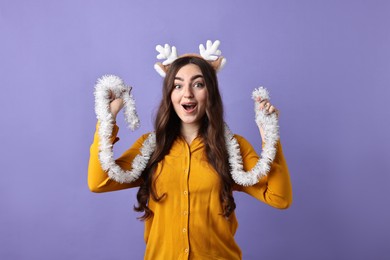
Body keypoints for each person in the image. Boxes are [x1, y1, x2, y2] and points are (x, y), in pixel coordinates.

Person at [88, 42, 292, 259]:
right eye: (178, 86)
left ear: (210, 92)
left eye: (198, 84)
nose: (187, 94)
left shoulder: (233, 148)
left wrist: (269, 135)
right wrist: (107, 120)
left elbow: (279, 197)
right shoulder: (150, 148)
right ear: (170, 95)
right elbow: (98, 181)